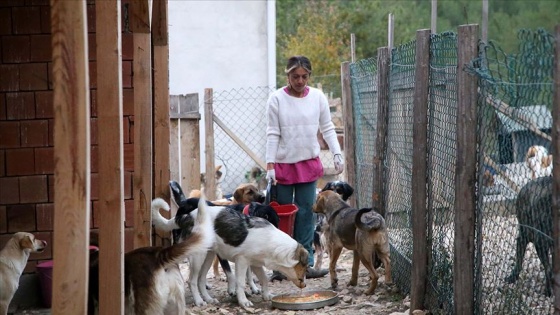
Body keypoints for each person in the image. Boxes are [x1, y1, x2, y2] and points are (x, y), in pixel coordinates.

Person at [265, 55, 344, 280]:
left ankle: (305, 263)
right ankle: (281, 265)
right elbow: (272, 132)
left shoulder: (317, 98)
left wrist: (336, 151)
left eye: (304, 76)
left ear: (309, 76)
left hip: (307, 162)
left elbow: (327, 127)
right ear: (287, 76)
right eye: (295, 76)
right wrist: (270, 163)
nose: (299, 81)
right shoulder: (276, 99)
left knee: (306, 213)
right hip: (282, 164)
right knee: (282, 215)